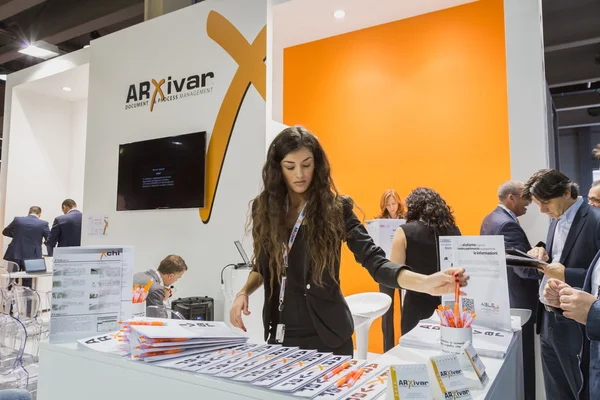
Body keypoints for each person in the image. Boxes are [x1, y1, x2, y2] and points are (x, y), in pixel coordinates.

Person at [229, 126, 469, 356]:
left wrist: (425, 283)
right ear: (277, 169)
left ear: (317, 165)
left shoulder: (336, 208)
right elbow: (262, 264)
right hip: (281, 334)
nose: (300, 174)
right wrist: (244, 292)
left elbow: (374, 261)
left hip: (329, 336)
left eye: (307, 165)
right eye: (290, 167)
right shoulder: (265, 208)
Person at [524, 169, 600, 400]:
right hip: (548, 318)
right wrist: (541, 251)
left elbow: (595, 274)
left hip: (576, 323)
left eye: (546, 202)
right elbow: (561, 254)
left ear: (567, 192)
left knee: (578, 390)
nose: (542, 210)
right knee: (555, 391)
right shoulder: (555, 220)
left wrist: (567, 275)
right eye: (538, 204)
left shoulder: (595, 220)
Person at [480, 180, 538, 400]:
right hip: (519, 302)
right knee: (524, 362)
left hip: (503, 298)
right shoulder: (507, 224)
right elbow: (522, 269)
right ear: (511, 198)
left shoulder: (490, 218)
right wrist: (548, 269)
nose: (530, 203)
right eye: (526, 198)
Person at [389, 188, 461, 340]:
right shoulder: (454, 230)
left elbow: (394, 272)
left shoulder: (404, 231)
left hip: (416, 304)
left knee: (415, 354)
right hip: (448, 303)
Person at [377, 189, 406, 352]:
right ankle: (388, 349)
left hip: (403, 268)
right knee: (386, 311)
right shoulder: (379, 222)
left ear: (398, 203)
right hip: (385, 268)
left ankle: (405, 346)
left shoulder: (406, 220)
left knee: (405, 309)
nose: (391, 208)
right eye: (388, 205)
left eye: (393, 204)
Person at [2, 206, 50, 288]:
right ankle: (27, 300)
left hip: (14, 254)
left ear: (29, 212)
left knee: (11, 280)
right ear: (39, 215)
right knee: (28, 282)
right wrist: (42, 242)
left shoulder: (17, 220)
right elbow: (50, 239)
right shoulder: (43, 224)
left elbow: (5, 232)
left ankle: (11, 300)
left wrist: (16, 236)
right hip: (32, 256)